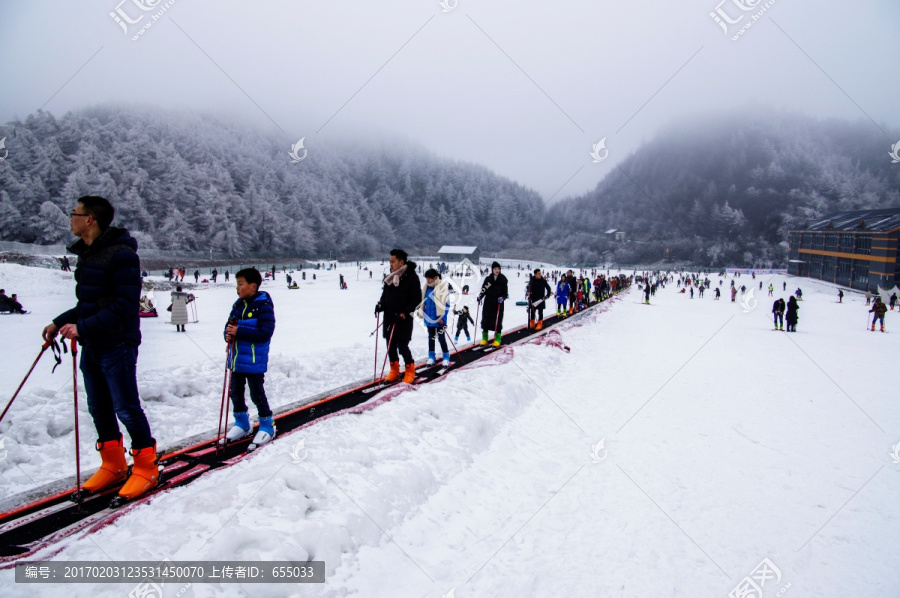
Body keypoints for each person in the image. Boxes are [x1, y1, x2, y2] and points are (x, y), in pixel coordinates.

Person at [41, 196, 157, 501]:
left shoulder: (121, 255)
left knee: (126, 407)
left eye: (74, 213)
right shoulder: (88, 255)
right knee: (98, 408)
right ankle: (113, 462)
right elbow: (89, 304)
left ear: (90, 219)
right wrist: (60, 322)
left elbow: (124, 306)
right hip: (93, 343)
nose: (71, 218)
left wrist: (82, 327)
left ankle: (146, 466)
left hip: (118, 343)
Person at [223, 268, 277, 446]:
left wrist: (240, 331)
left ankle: (267, 424)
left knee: (256, 393)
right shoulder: (238, 305)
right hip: (237, 359)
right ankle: (242, 422)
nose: (237, 288)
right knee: (235, 393)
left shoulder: (263, 306)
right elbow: (229, 325)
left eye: (240, 284)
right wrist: (228, 334)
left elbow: (265, 333)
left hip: (254, 360)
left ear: (253, 286)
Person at [375, 249, 422, 384]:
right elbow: (385, 295)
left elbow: (416, 300)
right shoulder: (391, 276)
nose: (390, 264)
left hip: (403, 319)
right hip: (390, 317)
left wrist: (404, 313)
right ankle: (394, 371)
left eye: (393, 261)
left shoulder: (411, 277)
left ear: (401, 262)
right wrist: (380, 305)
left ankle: (410, 370)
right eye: (390, 261)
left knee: (402, 346)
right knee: (390, 345)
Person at [418, 268, 451, 367]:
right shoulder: (426, 287)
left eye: (430, 278)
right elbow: (424, 300)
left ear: (435, 278)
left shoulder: (442, 287)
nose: (428, 280)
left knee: (441, 338)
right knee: (431, 338)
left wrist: (443, 318)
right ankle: (431, 357)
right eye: (427, 278)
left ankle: (446, 356)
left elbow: (447, 305)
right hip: (429, 319)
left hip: (439, 319)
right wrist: (422, 305)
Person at [477, 261, 509, 346]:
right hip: (488, 302)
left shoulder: (503, 279)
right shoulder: (488, 279)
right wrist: (480, 296)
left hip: (498, 303)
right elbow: (484, 290)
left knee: (497, 320)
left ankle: (497, 338)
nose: (497, 270)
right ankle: (485, 338)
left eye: (498, 269)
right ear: (492, 269)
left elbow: (505, 293)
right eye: (495, 269)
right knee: (486, 319)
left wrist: (503, 298)